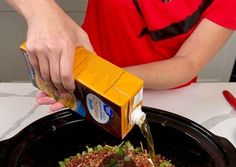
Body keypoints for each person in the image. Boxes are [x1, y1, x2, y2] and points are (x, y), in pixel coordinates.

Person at [6, 0, 236, 111]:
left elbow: (189, 62)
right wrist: (43, 12)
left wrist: (109, 80)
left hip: (167, 97)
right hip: (88, 83)